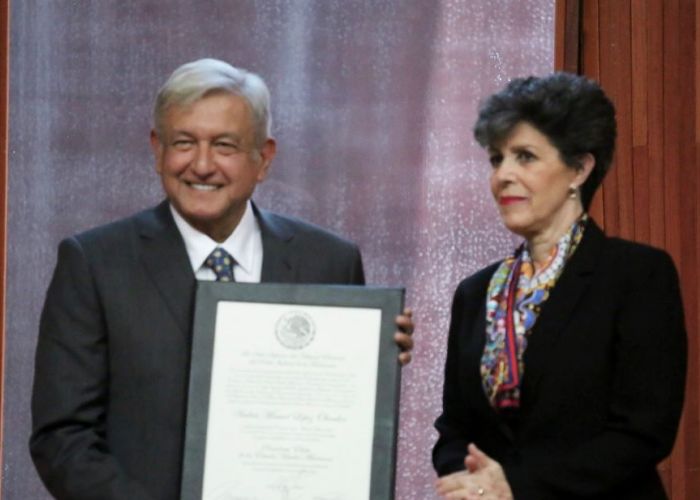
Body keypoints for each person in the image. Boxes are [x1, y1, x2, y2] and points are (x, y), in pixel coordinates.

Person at [30, 58, 414, 500]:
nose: (202, 165)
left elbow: (338, 416)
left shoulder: (330, 260)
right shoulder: (95, 263)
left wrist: (374, 353)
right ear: (157, 150)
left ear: (263, 158)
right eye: (184, 142)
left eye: (225, 146)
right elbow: (62, 439)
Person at [433, 73, 687, 500]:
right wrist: (474, 484)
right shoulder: (475, 292)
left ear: (580, 168)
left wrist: (518, 487)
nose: (503, 176)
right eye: (497, 159)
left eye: (525, 156)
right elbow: (453, 429)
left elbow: (643, 434)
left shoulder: (637, 275)